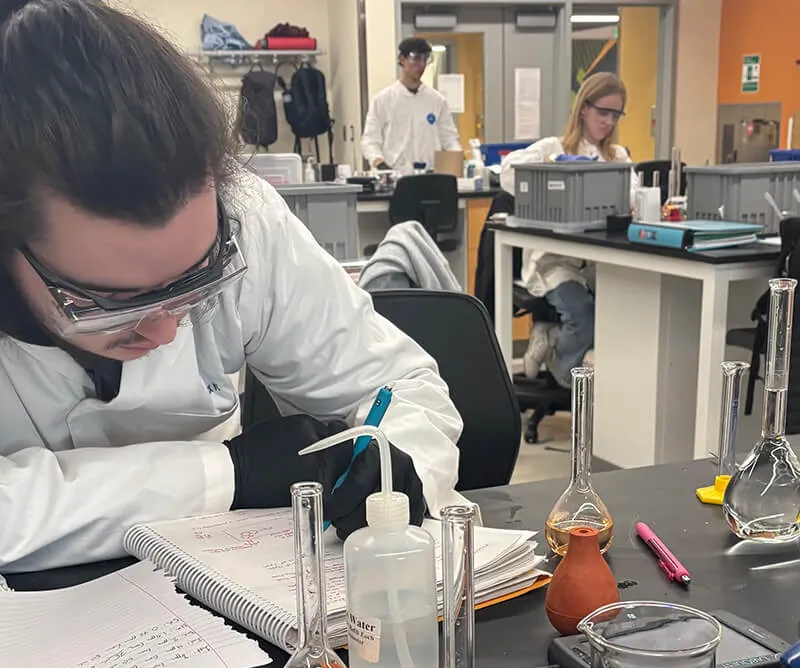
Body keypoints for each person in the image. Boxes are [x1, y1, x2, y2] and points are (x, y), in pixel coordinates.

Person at [0, 0, 463, 573]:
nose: (167, 330)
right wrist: (230, 472)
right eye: (110, 303)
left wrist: (400, 463)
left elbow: (403, 386)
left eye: (197, 281)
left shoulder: (244, 219)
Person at [500, 73, 638, 386]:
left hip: (597, 262)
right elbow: (510, 173)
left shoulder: (617, 157)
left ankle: (558, 345)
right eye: (603, 112)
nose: (608, 122)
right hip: (554, 260)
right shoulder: (553, 146)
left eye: (615, 115)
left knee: (624, 309)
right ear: (583, 109)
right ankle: (566, 376)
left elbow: (631, 194)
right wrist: (553, 172)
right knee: (584, 314)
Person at [361, 37, 462, 175]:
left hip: (430, 175)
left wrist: (455, 163)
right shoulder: (384, 100)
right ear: (402, 60)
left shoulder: (437, 101)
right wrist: (379, 163)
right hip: (396, 175)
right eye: (416, 59)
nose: (421, 65)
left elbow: (450, 139)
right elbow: (370, 140)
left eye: (425, 59)